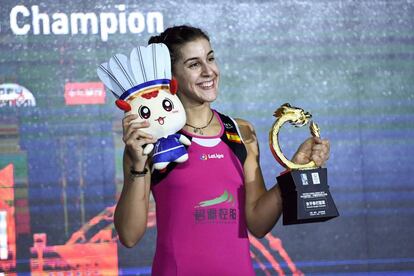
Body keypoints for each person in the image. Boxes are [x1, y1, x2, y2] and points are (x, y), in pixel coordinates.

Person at [114, 25, 330, 275]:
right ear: (170, 77)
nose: (209, 71)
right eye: (194, 64)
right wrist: (138, 165)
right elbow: (129, 236)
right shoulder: (151, 139)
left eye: (211, 58)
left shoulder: (241, 131)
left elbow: (258, 223)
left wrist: (295, 170)